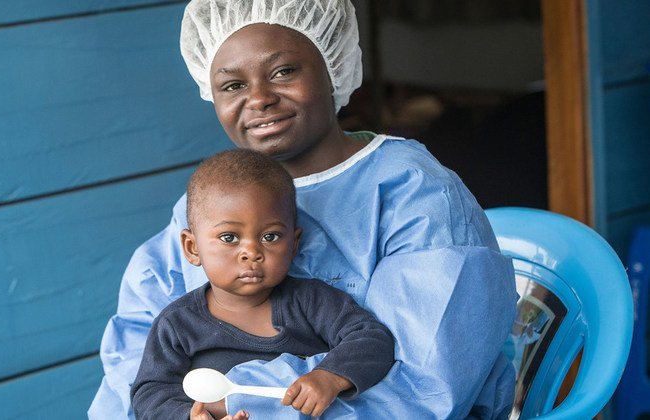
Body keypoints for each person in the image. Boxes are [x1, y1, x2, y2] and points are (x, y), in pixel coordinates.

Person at [89, 0, 518, 418]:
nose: (259, 98)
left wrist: (238, 404)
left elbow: (425, 384)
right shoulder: (206, 204)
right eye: (233, 85)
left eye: (283, 71)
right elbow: (137, 354)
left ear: (332, 68)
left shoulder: (412, 191)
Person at [130, 149, 395, 419]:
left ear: (294, 244)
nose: (252, 252)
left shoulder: (311, 301)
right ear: (192, 248)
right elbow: (151, 393)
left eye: (270, 236)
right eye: (229, 238)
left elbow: (371, 338)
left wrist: (331, 376)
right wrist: (191, 415)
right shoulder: (177, 324)